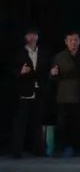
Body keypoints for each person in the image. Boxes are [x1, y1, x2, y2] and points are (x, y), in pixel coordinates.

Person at [51, 31, 80, 157]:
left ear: (79, 41)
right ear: (66, 42)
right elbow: (53, 78)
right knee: (62, 124)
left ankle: (77, 149)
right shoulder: (59, 57)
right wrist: (52, 74)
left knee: (79, 124)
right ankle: (59, 149)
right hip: (64, 96)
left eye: (75, 40)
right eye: (70, 40)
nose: (73, 42)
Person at [13, 28, 48, 157]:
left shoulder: (43, 52)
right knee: (20, 123)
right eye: (29, 35)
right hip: (23, 92)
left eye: (34, 35)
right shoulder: (19, 53)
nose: (32, 37)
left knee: (37, 123)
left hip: (38, 92)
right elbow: (10, 72)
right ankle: (16, 151)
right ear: (25, 37)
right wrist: (20, 72)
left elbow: (45, 71)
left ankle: (39, 150)